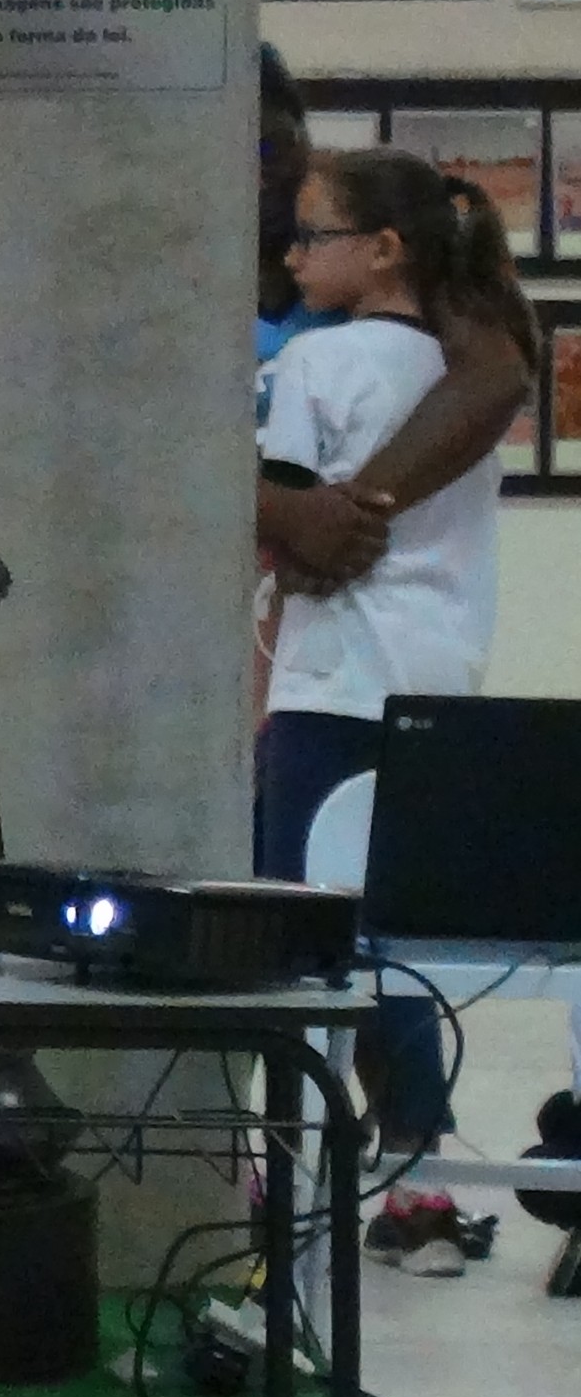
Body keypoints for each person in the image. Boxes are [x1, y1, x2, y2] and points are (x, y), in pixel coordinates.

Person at [257, 148, 519, 879]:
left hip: (331, 684)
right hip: (438, 683)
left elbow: (282, 513)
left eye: (311, 236)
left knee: (302, 927)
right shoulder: (461, 380)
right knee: (404, 933)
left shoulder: (315, 360)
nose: (291, 254)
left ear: (382, 250)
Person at [256, 55, 532, 607]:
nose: (257, 171)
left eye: (267, 147)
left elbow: (496, 376)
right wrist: (287, 514)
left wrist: (344, 522)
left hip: (357, 595)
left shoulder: (356, 219)